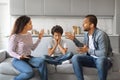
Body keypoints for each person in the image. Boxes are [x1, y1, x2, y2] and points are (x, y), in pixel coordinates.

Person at [65, 14, 113, 80]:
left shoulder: (101, 35)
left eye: (85, 23)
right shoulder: (86, 34)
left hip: (103, 60)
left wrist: (88, 50)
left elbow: (103, 53)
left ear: (92, 25)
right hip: (91, 59)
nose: (82, 25)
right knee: (75, 57)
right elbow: (84, 47)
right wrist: (74, 39)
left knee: (101, 60)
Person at [8, 15, 48, 80]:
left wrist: (39, 38)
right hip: (18, 60)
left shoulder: (29, 35)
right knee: (29, 72)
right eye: (30, 23)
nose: (32, 25)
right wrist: (20, 57)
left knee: (42, 61)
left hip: (29, 58)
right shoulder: (15, 36)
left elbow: (32, 48)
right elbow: (10, 51)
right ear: (24, 25)